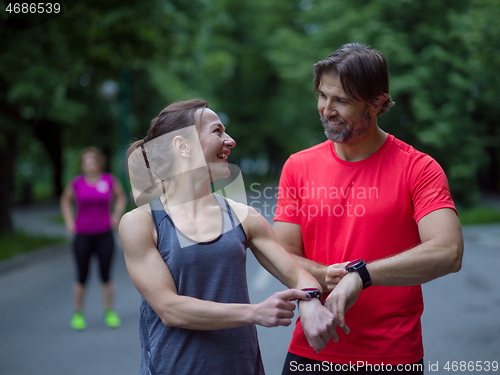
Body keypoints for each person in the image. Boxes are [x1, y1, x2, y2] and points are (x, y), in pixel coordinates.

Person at [274, 43, 464, 374]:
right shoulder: (297, 166)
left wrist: (362, 276)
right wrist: (322, 279)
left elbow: (448, 251)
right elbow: (281, 253)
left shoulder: (418, 168)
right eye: (322, 96)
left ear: (376, 104)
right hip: (311, 351)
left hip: (391, 357)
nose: (326, 109)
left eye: (341, 101)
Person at [118, 99, 336, 374]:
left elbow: (298, 275)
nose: (230, 141)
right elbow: (170, 309)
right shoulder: (141, 222)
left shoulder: (244, 216)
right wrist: (254, 312)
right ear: (183, 146)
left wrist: (311, 301)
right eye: (217, 132)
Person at [60, 146, 127, 330]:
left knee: (106, 275)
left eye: (93, 160)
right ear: (82, 164)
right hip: (82, 235)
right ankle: (78, 314)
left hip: (104, 234)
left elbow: (121, 197)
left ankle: (109, 312)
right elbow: (65, 201)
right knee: (81, 275)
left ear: (99, 163)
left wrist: (116, 215)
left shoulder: (108, 180)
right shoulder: (77, 183)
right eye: (86, 161)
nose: (90, 164)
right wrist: (68, 221)